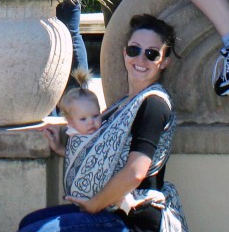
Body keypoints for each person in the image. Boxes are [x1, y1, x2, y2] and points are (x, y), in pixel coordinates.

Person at [12, 14, 206, 232]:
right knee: (29, 224)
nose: (140, 59)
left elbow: (135, 172)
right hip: (109, 215)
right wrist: (63, 150)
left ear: (165, 61)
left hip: (132, 225)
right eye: (134, 50)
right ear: (125, 52)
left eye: (151, 54)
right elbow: (103, 154)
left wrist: (94, 205)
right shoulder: (123, 104)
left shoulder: (153, 104)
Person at [48, 84, 166, 214]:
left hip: (102, 199)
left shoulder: (103, 133)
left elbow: (105, 158)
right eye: (83, 119)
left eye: (95, 116)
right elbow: (77, 157)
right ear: (70, 122)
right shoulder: (74, 135)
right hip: (84, 203)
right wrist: (60, 149)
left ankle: (127, 204)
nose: (91, 122)